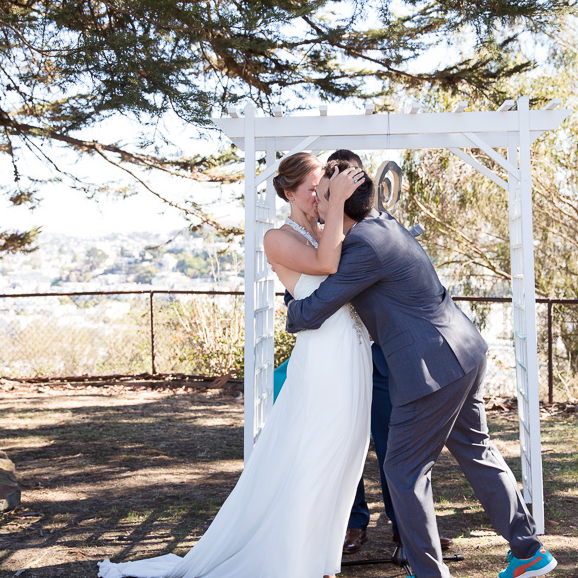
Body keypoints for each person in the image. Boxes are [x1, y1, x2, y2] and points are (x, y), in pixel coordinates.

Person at [98, 152, 373, 578]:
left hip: (352, 350)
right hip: (323, 357)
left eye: (325, 186)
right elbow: (327, 264)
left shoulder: (327, 227)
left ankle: (320, 556)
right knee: (313, 454)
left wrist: (337, 208)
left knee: (344, 455)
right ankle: (294, 560)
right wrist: (336, 203)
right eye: (314, 187)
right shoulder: (277, 238)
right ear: (289, 191)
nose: (321, 193)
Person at [286, 164, 557, 578]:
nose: (319, 205)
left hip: (431, 368)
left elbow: (316, 308)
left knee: (403, 471)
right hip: (463, 351)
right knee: (477, 450)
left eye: (325, 196)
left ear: (342, 202)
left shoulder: (364, 247)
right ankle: (528, 551)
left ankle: (428, 572)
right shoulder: (382, 224)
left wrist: (291, 309)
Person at [325, 150, 451, 556]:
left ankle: (406, 531)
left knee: (392, 444)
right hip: (342, 355)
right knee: (345, 443)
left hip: (384, 358)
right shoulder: (323, 228)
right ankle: (352, 524)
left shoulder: (379, 223)